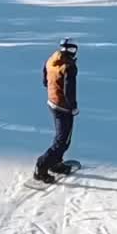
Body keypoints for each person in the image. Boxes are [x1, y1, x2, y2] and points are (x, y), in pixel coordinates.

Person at [34, 38, 78, 184]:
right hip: (63, 107)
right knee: (63, 141)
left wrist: (52, 89)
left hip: (52, 102)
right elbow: (69, 91)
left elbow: (45, 80)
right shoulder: (69, 66)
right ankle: (41, 167)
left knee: (60, 137)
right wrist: (73, 107)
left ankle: (55, 163)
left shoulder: (52, 59)